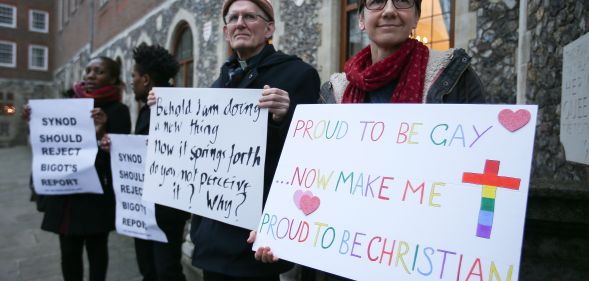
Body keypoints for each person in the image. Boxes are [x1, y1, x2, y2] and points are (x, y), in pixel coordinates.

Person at [253, 0, 485, 280]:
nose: (388, 10)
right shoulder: (334, 91)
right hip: (343, 259)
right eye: (375, 2)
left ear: (415, 18)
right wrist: (281, 229)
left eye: (401, 2)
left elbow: (475, 174)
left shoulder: (455, 78)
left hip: (419, 260)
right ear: (361, 20)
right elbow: (313, 173)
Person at [148, 0, 320, 280]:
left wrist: (285, 116)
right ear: (226, 31)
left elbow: (308, 156)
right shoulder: (220, 83)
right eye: (233, 18)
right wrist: (164, 109)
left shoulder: (298, 74)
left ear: (269, 28)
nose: (240, 22)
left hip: (255, 235)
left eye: (250, 16)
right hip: (213, 232)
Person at [23, 56, 131, 281]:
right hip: (66, 195)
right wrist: (34, 123)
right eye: (88, 70)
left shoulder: (118, 111)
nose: (90, 75)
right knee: (69, 253)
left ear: (112, 78)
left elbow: (118, 159)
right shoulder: (68, 103)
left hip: (96, 197)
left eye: (98, 72)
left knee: (97, 252)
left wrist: (100, 133)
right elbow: (49, 144)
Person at [101, 43, 190, 281]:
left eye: (134, 76)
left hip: (165, 211)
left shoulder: (174, 108)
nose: (131, 82)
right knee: (148, 267)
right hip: (145, 205)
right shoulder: (147, 110)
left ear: (147, 79)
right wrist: (118, 148)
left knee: (166, 269)